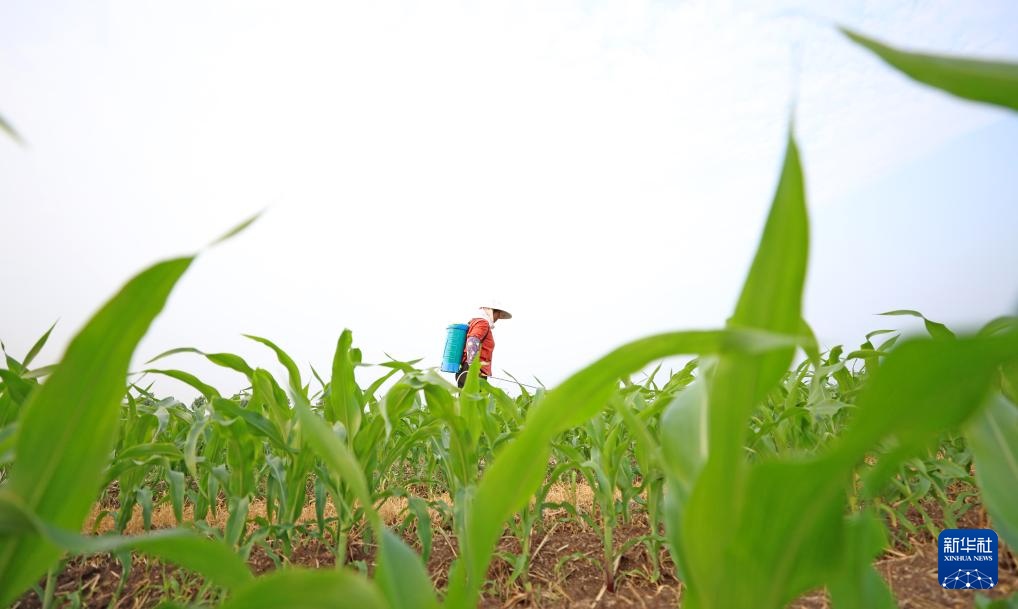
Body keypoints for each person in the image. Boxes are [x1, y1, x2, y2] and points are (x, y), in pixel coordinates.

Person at [456, 302, 512, 388]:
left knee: (466, 399)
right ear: (491, 311)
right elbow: (472, 341)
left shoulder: (474, 322)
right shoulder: (483, 323)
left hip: (467, 369)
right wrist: (474, 367)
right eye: (498, 314)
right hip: (473, 370)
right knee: (474, 400)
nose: (497, 318)